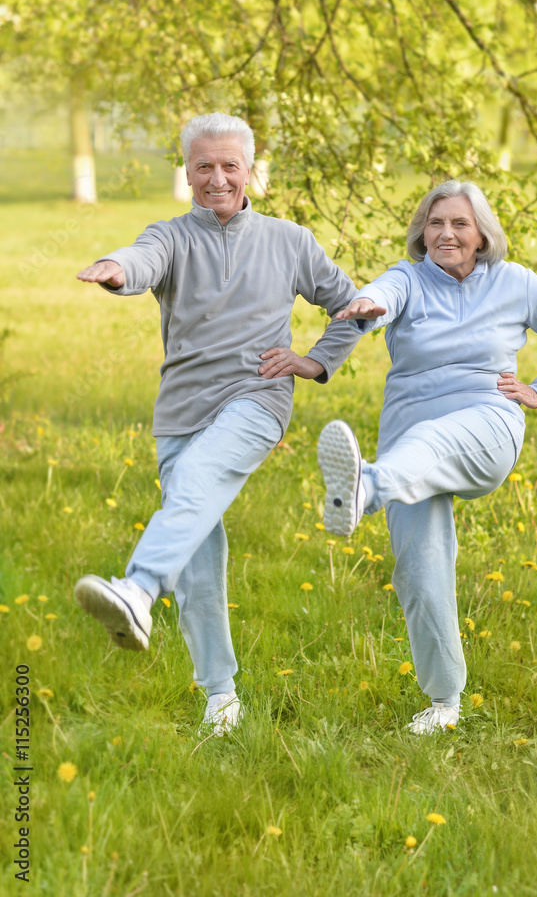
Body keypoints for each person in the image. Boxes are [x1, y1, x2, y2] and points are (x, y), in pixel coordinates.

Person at [74, 113, 359, 736]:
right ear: (187, 171)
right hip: (180, 410)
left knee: (197, 481)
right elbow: (142, 258)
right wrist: (115, 267)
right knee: (198, 554)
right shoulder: (171, 236)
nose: (218, 178)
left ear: (249, 170)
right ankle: (221, 697)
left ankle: (139, 589)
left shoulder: (290, 240)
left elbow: (353, 306)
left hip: (256, 397)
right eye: (204, 166)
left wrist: (315, 361)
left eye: (230, 165)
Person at [316, 179, 537, 735]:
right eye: (435, 223)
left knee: (433, 441)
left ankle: (362, 490)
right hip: (404, 446)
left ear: (482, 235)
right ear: (422, 233)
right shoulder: (408, 278)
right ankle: (444, 701)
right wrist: (370, 304)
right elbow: (384, 294)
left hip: (485, 425)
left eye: (459, 224)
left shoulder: (515, 282)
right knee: (419, 570)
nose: (446, 233)